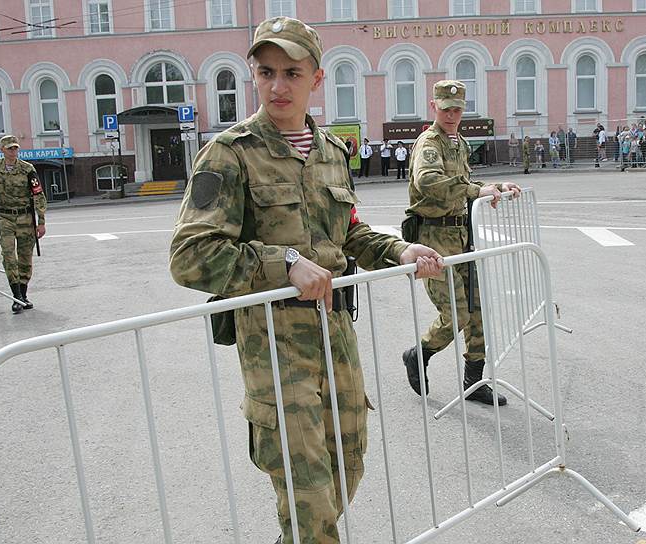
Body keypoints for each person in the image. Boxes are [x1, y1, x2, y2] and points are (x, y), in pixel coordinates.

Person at [168, 16, 443, 544]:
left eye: (292, 72)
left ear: (316, 79)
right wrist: (284, 262)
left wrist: (401, 248)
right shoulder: (229, 153)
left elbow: (349, 234)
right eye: (266, 71)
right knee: (308, 496)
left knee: (347, 467)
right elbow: (189, 254)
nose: (277, 85)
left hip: (336, 336)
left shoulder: (332, 153)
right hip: (273, 343)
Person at [402, 79, 522, 407]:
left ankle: (474, 383)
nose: (452, 115)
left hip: (460, 236)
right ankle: (419, 353)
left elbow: (466, 183)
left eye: (457, 109)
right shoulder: (430, 142)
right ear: (434, 108)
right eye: (446, 109)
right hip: (433, 240)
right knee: (456, 314)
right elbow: (427, 181)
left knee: (477, 311)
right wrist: (473, 191)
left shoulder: (460, 143)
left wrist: (493, 186)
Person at [0, 135, 47, 314]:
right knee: (8, 255)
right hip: (5, 217)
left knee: (24, 257)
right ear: (2, 150)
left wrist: (41, 221)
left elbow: (38, 194)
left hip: (25, 218)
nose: (13, 151)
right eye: (9, 148)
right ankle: (16, 297)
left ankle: (23, 293)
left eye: (15, 148)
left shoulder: (27, 169)